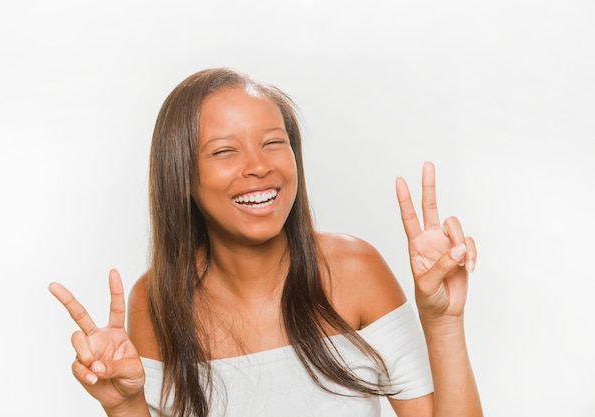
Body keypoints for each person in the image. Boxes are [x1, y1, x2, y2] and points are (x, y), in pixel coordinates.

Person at [49, 68, 483, 417]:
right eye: (224, 151)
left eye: (274, 143)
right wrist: (125, 407)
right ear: (181, 178)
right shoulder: (156, 301)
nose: (258, 166)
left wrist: (443, 322)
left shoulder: (354, 269)